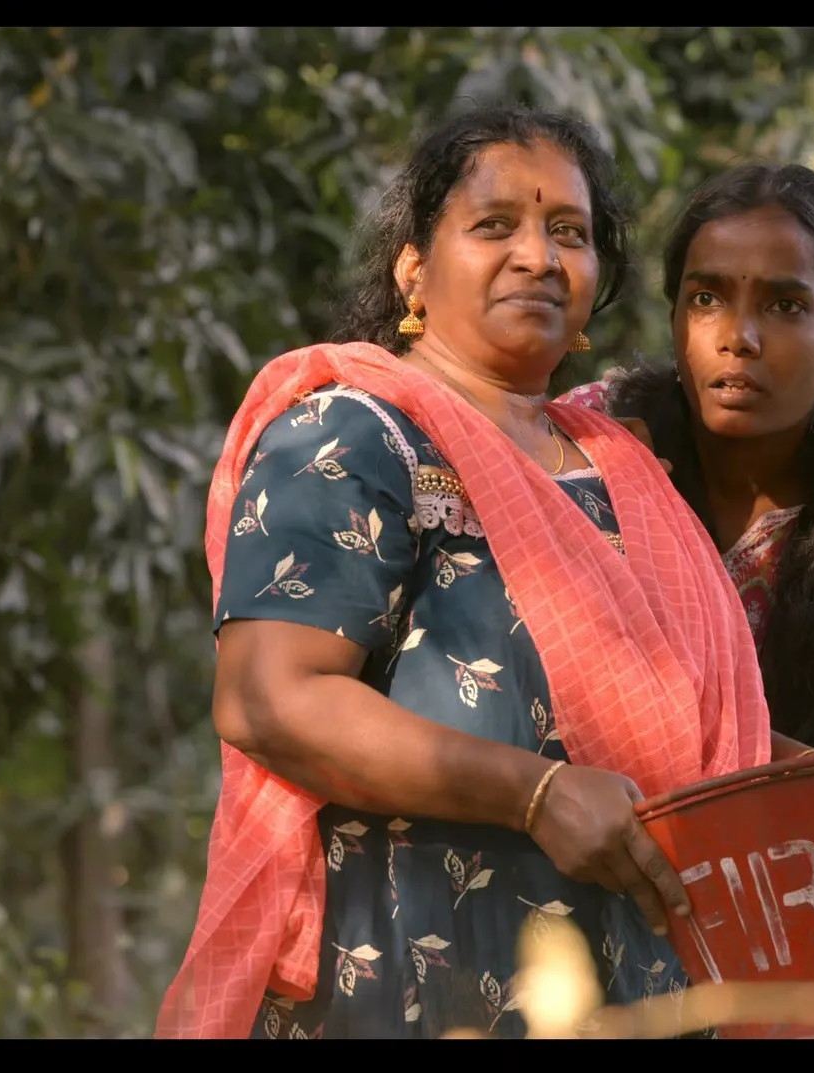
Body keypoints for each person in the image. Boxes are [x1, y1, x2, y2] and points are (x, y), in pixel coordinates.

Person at [153, 106, 775, 1040]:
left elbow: (674, 718)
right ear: (413, 269)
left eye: (570, 232)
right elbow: (267, 698)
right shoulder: (354, 432)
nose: (538, 256)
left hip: (638, 988)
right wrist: (535, 794)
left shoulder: (627, 467)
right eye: (495, 225)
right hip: (419, 985)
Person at [553, 162, 814, 1037]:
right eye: (706, 299)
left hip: (777, 965)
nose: (737, 337)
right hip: (576, 924)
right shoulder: (593, 449)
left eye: (784, 305)